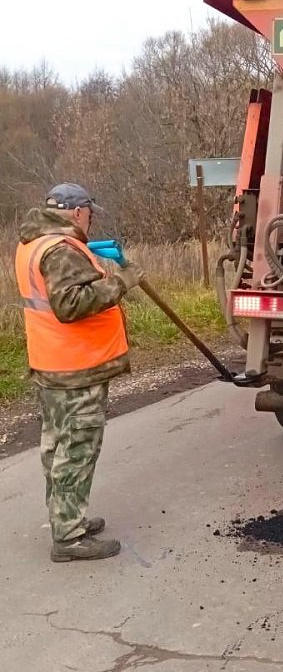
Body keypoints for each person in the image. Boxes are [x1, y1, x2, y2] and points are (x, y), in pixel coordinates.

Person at [14, 183, 143, 562]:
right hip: (75, 369)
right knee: (76, 450)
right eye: (89, 213)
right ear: (76, 212)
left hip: (54, 364)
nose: (90, 220)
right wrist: (121, 282)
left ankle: (67, 518)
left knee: (57, 447)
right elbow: (70, 305)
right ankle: (69, 537)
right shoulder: (60, 250)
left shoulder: (34, 242)